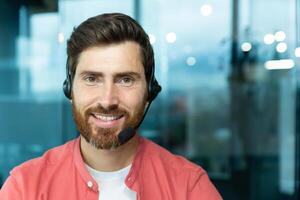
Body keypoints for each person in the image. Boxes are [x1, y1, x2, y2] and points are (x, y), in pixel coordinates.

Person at [0, 13, 222, 199]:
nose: (107, 100)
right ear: (69, 88)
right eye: (92, 79)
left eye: (125, 80)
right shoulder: (24, 188)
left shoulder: (190, 188)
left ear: (149, 92)